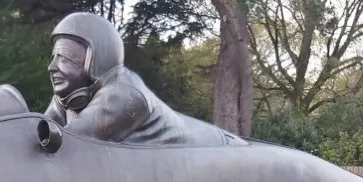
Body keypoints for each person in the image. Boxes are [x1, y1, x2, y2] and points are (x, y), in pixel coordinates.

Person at [43, 12, 243, 147]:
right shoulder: (69, 96)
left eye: (65, 59)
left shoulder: (124, 94)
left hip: (214, 146)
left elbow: (69, 141)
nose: (52, 67)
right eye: (53, 58)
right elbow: (40, 131)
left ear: (96, 61)